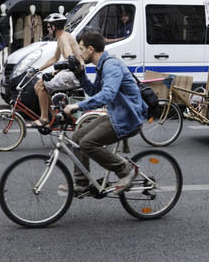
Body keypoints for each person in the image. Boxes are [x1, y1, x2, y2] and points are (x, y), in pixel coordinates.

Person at [62, 30, 146, 198]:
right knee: (77, 137)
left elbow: (107, 95)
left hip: (127, 118)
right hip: (116, 114)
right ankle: (81, 184)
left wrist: (77, 105)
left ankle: (125, 171)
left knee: (87, 143)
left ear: (91, 49)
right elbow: (94, 92)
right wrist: (80, 75)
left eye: (81, 48)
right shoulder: (102, 66)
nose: (79, 52)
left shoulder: (111, 65)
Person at [31, 12, 83, 127]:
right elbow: (54, 58)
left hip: (74, 74)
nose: (48, 30)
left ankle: (45, 118)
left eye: (49, 27)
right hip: (70, 72)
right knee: (38, 86)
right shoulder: (61, 37)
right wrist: (37, 69)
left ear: (54, 27)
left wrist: (54, 72)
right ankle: (55, 116)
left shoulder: (64, 38)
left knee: (41, 85)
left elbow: (70, 58)